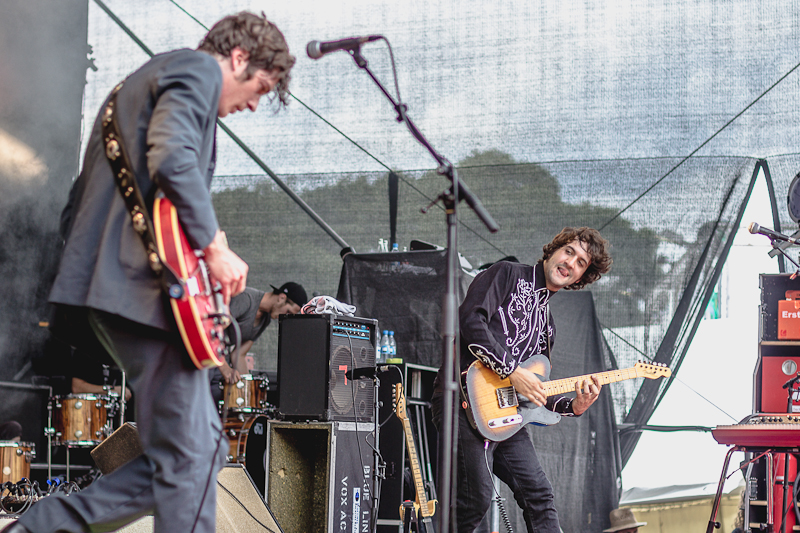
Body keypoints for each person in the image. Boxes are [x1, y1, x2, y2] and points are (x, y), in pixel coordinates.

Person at [10, 12, 294, 533]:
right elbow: (174, 160)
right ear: (238, 58)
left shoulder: (140, 87)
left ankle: (37, 528)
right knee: (191, 454)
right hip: (139, 295)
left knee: (198, 453)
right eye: (260, 87)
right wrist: (212, 247)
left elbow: (77, 208)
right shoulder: (194, 71)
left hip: (116, 292)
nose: (255, 102)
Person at [431, 226, 613, 532]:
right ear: (553, 251)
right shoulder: (507, 274)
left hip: (507, 414)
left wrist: (574, 406)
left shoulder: (547, 326)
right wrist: (511, 371)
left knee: (539, 494)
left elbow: (535, 390)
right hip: (460, 400)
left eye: (581, 262)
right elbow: (470, 321)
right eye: (569, 251)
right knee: (476, 498)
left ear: (580, 277)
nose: (570, 262)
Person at [211, 282, 307, 403]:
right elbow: (211, 332)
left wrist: (249, 391)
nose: (285, 316)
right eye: (288, 311)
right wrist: (225, 368)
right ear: (282, 297)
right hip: (204, 356)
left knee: (218, 399)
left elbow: (239, 354)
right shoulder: (246, 299)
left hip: (218, 361)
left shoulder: (265, 319)